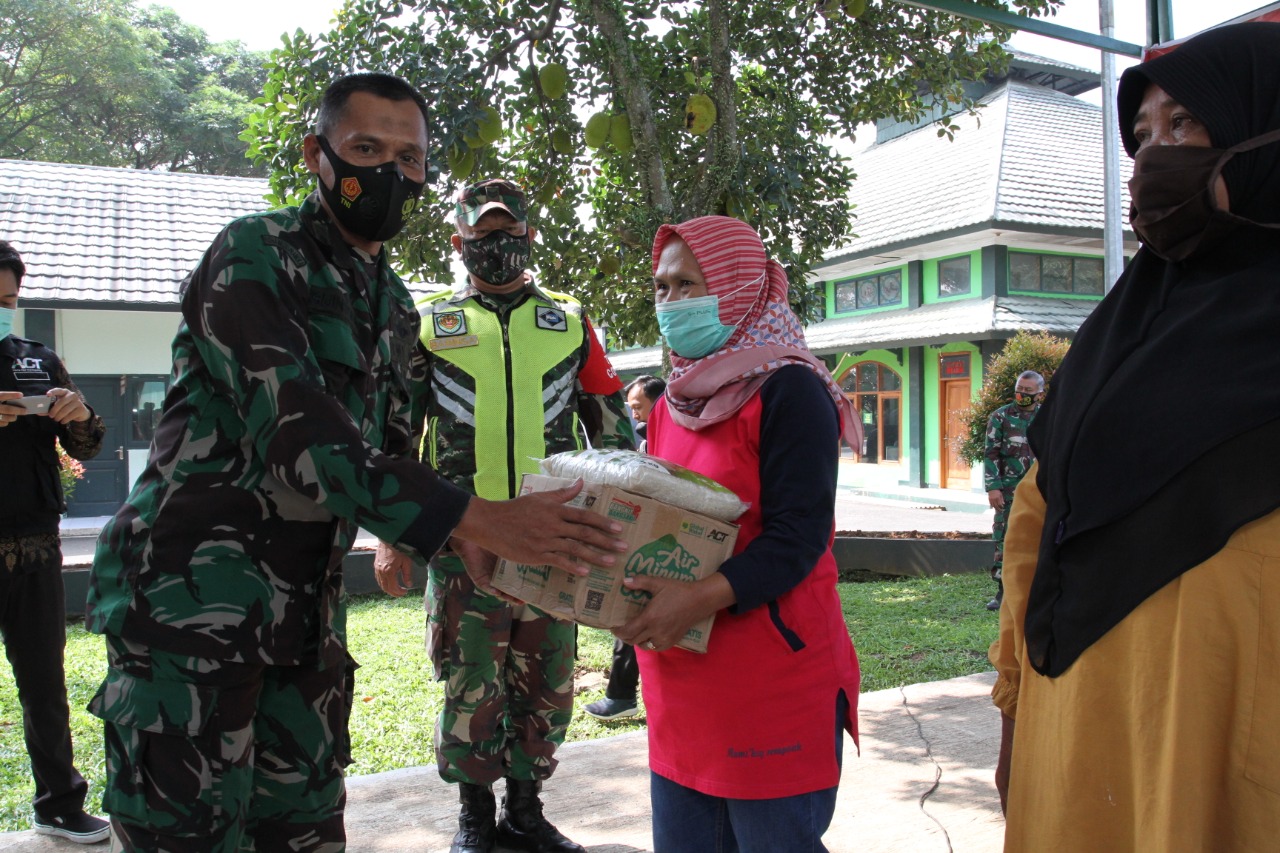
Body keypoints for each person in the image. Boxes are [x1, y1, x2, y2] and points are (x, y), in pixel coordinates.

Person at [84, 75, 628, 853]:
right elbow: (304, 440)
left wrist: (448, 539)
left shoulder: (396, 306)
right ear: (317, 153)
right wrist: (473, 517)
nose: (388, 173)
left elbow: (392, 448)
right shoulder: (255, 254)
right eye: (366, 149)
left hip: (304, 621)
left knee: (306, 836)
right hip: (190, 617)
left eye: (409, 158)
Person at [990, 22, 1280, 851]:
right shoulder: (1118, 332)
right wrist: (1013, 708)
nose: (1154, 158)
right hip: (1077, 749)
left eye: (1184, 124)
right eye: (1141, 137)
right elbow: (1033, 525)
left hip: (1217, 769)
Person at [373, 178, 633, 853]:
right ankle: (474, 818)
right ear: (460, 242)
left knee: (544, 681)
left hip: (555, 538)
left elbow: (613, 435)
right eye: (483, 236)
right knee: (470, 680)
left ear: (529, 236)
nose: (497, 245)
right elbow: (393, 439)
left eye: (507, 232)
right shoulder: (429, 323)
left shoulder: (570, 322)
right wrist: (391, 534)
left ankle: (526, 809)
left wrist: (631, 526)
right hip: (464, 539)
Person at [613, 215, 862, 852]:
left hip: (770, 675)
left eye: (688, 283)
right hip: (681, 678)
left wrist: (695, 600)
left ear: (738, 285)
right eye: (662, 287)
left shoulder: (790, 389)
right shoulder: (670, 403)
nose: (671, 301)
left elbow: (797, 538)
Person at [0, 241, 110, 845]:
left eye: (9, 301)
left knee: (44, 684)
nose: (3, 311)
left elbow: (88, 446)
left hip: (35, 548)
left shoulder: (37, 362)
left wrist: (78, 414)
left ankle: (60, 804)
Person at [584, 373, 666, 722]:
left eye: (638, 408)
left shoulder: (668, 437)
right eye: (630, 410)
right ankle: (621, 696)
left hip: (663, 549)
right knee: (630, 617)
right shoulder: (646, 441)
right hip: (643, 544)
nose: (634, 417)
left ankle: (623, 697)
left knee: (638, 617)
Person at [982, 370, 1043, 611]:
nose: (1022, 394)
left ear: (1039, 394)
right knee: (1004, 536)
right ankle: (1002, 592)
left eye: (1028, 391)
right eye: (1020, 389)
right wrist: (993, 487)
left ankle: (1034, 589)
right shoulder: (1001, 417)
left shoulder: (1049, 416)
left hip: (1040, 489)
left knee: (1038, 536)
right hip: (1008, 490)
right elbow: (991, 454)